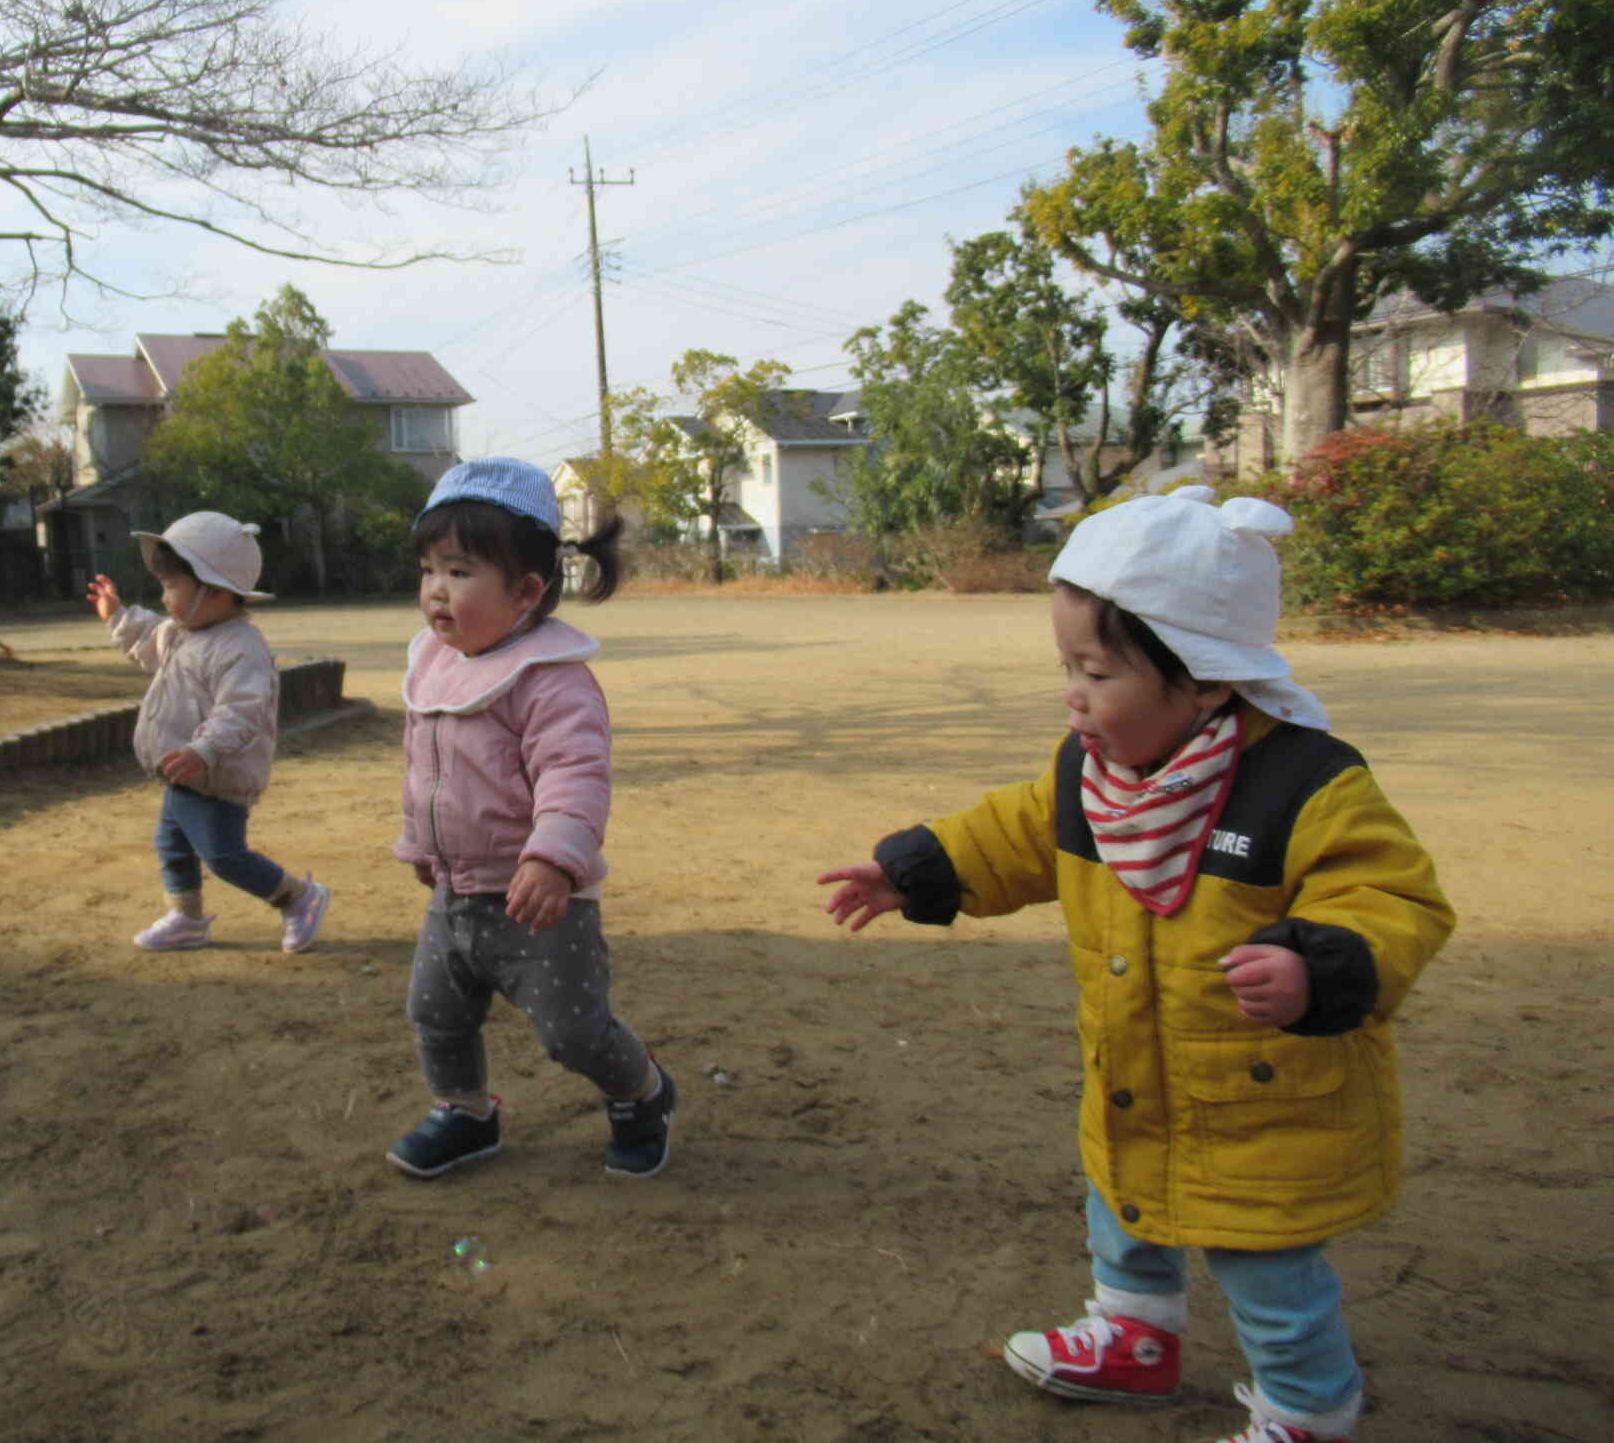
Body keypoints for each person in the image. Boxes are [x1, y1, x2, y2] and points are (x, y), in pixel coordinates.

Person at [816, 487, 1453, 1443]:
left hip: (1266, 1098)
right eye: (1065, 666)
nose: (1073, 692)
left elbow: (1391, 896)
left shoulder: (1307, 784)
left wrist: (1319, 964)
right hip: (1137, 1072)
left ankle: (1309, 1409)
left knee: (1266, 1268)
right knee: (1123, 1210)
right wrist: (920, 871)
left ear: (1203, 679)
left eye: (1097, 671)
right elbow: (1017, 833)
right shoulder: (1090, 772)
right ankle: (1135, 1337)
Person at [386, 457, 675, 1180]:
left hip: (540, 904)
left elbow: (574, 775)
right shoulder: (436, 661)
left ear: (526, 591)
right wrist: (419, 843)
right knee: (434, 1011)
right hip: (455, 894)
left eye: (459, 572)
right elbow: (426, 764)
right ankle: (466, 1113)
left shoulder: (553, 681)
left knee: (572, 1032)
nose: (435, 593)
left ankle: (642, 1093)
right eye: (428, 570)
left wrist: (552, 857)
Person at [87, 510, 329, 955]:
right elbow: (148, 638)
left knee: (223, 855)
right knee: (172, 845)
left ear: (215, 591)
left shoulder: (241, 648)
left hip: (217, 773)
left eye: (172, 585)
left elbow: (242, 710)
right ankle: (187, 919)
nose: (164, 597)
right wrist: (116, 615)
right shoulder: (183, 633)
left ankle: (298, 897)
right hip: (184, 770)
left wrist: (205, 749)